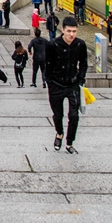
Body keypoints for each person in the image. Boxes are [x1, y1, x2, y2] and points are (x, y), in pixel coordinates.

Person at [46, 16, 89, 154]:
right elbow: (48, 64)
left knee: (74, 116)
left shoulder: (80, 44)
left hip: (73, 83)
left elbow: (83, 63)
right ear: (63, 30)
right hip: (56, 84)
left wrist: (81, 79)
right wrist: (49, 82)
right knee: (58, 115)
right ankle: (59, 133)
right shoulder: (53, 45)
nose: (72, 34)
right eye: (69, 31)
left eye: (74, 31)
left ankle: (69, 143)